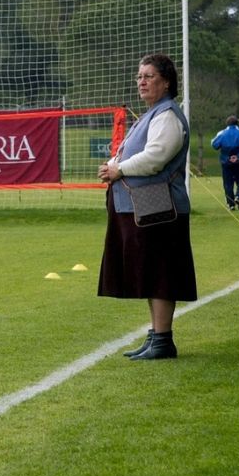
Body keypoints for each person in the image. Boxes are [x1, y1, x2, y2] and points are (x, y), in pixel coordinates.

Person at [97, 54, 197, 360]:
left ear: (166, 82)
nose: (141, 81)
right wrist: (113, 165)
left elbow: (155, 157)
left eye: (149, 76)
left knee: (160, 273)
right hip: (145, 206)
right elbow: (134, 151)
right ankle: (156, 336)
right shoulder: (153, 114)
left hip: (159, 206)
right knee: (151, 272)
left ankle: (163, 340)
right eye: (139, 76)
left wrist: (120, 170)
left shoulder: (167, 115)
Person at [211, 115, 239, 210]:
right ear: (237, 123)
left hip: (226, 162)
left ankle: (231, 204)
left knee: (228, 183)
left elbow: (214, 144)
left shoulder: (222, 133)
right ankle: (238, 196)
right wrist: (238, 156)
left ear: (227, 123)